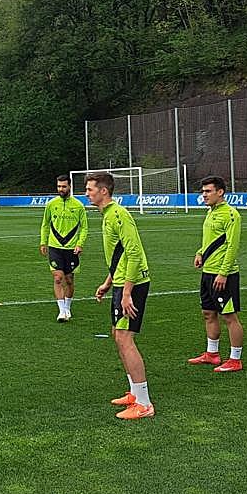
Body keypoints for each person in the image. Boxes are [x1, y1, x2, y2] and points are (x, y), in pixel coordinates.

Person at [85, 172, 154, 420]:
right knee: (118, 335)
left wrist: (126, 292)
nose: (87, 193)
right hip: (122, 282)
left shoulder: (119, 214)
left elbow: (135, 253)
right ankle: (135, 392)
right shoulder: (107, 216)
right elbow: (120, 256)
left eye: (91, 189)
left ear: (104, 191)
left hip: (133, 285)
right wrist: (108, 283)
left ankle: (144, 404)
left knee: (125, 338)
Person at [187, 176, 245, 372]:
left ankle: (235, 360)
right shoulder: (211, 212)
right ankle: (212, 354)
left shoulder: (231, 215)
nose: (204, 195)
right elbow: (210, 240)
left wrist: (223, 273)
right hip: (207, 272)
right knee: (208, 313)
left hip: (223, 274)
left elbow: (232, 246)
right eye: (203, 191)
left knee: (229, 316)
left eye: (208, 191)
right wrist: (200, 253)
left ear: (220, 192)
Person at [39, 175, 88, 322]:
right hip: (55, 247)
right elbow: (45, 224)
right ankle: (61, 311)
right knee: (58, 278)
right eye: (59, 186)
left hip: (72, 249)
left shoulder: (78, 206)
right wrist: (43, 242)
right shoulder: (51, 204)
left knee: (69, 280)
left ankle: (67, 307)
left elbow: (84, 227)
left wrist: (80, 244)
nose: (61, 189)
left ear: (70, 187)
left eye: (64, 186)